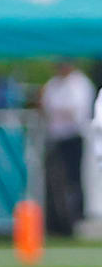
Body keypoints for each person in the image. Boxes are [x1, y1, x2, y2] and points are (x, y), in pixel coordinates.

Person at [39, 60, 95, 236]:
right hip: (55, 137)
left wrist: (57, 109)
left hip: (73, 138)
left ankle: (73, 221)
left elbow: (77, 111)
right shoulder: (53, 84)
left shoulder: (80, 83)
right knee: (53, 180)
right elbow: (45, 105)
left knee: (72, 180)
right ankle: (55, 222)